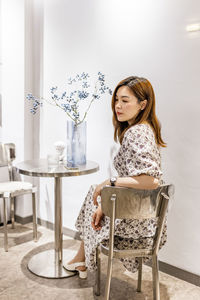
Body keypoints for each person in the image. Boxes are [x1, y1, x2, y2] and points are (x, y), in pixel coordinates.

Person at [63, 76, 166, 279]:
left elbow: (151, 180)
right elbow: (136, 179)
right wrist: (104, 199)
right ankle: (81, 258)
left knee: (95, 191)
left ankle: (82, 259)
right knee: (95, 193)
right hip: (144, 218)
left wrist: (109, 182)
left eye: (125, 101)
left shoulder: (136, 133)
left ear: (142, 104)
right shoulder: (145, 129)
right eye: (116, 100)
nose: (118, 106)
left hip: (134, 224)